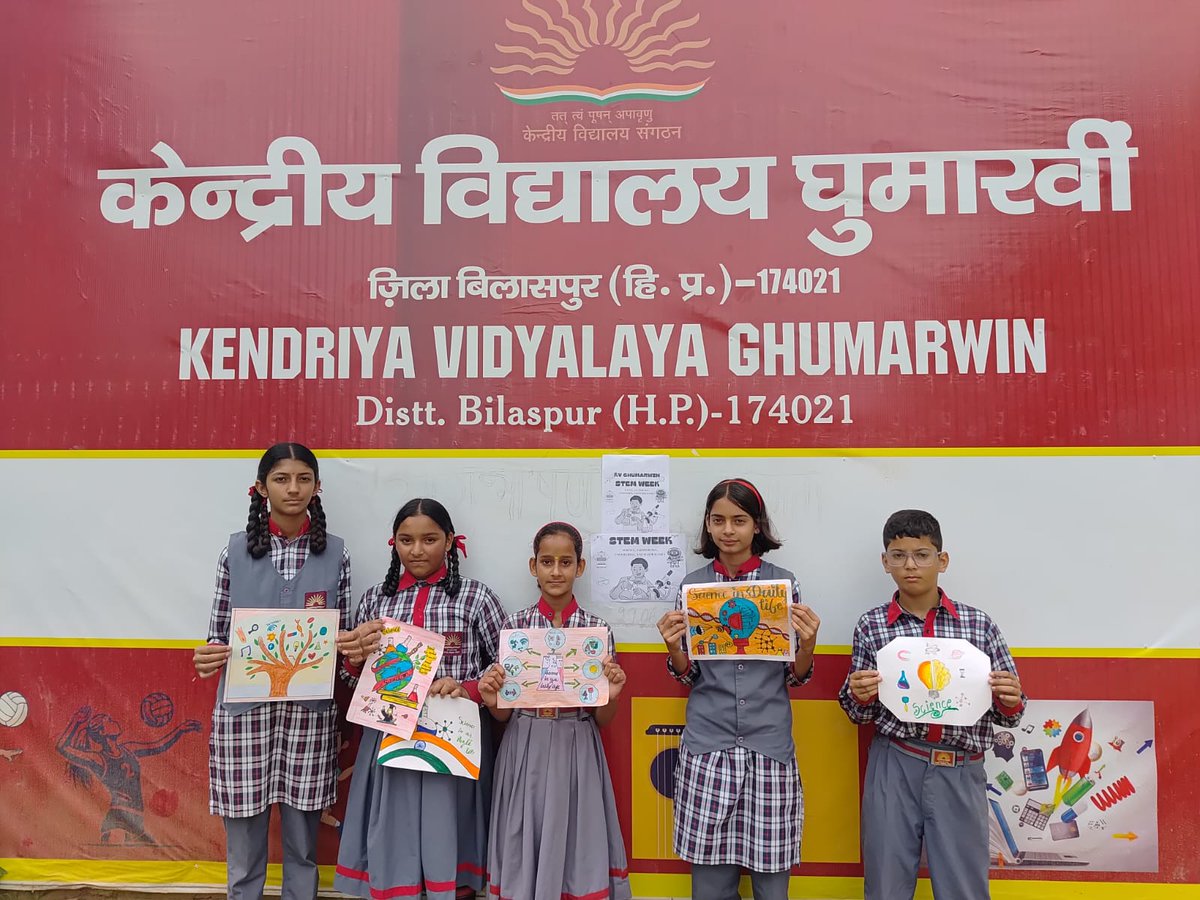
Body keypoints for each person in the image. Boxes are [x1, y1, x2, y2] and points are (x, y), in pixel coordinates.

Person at [193, 442, 355, 900]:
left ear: (317, 487)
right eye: (281, 479)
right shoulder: (234, 552)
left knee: (303, 845)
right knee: (244, 847)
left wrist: (351, 650)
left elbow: (341, 638)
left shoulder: (336, 554)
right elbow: (217, 634)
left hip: (308, 716)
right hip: (244, 716)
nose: (293, 488)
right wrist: (210, 655)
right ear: (262, 488)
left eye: (304, 479)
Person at [838, 509, 1026, 900]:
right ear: (885, 561)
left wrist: (1009, 699)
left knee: (964, 887)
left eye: (922, 555)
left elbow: (1011, 712)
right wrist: (858, 694)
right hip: (895, 761)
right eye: (898, 555)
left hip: (960, 767)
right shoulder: (872, 625)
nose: (910, 565)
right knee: (886, 884)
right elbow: (860, 714)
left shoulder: (978, 625)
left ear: (942, 560)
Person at [656, 479, 820, 900]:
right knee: (710, 885)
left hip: (769, 749)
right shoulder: (692, 588)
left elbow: (795, 677)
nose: (728, 530)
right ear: (708, 525)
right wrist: (674, 649)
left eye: (739, 520)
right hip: (708, 748)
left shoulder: (783, 585)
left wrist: (808, 646)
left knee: (772, 884)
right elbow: (689, 676)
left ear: (757, 525)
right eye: (719, 520)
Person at [335, 498, 506, 900]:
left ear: (450, 541)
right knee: (394, 824)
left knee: (449, 824)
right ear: (393, 543)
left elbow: (506, 668)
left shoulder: (476, 598)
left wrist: (466, 688)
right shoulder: (377, 600)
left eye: (429, 539)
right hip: (389, 734)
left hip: (455, 736)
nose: (417, 550)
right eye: (406, 540)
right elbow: (350, 676)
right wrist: (356, 660)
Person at [479, 521, 632, 900]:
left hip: (577, 741)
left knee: (577, 832)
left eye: (566, 562)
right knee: (523, 831)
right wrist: (492, 699)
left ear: (580, 567)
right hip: (524, 742)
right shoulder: (515, 627)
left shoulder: (596, 630)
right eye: (547, 562)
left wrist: (611, 695)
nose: (556, 571)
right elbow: (504, 714)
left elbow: (602, 718)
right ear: (534, 566)